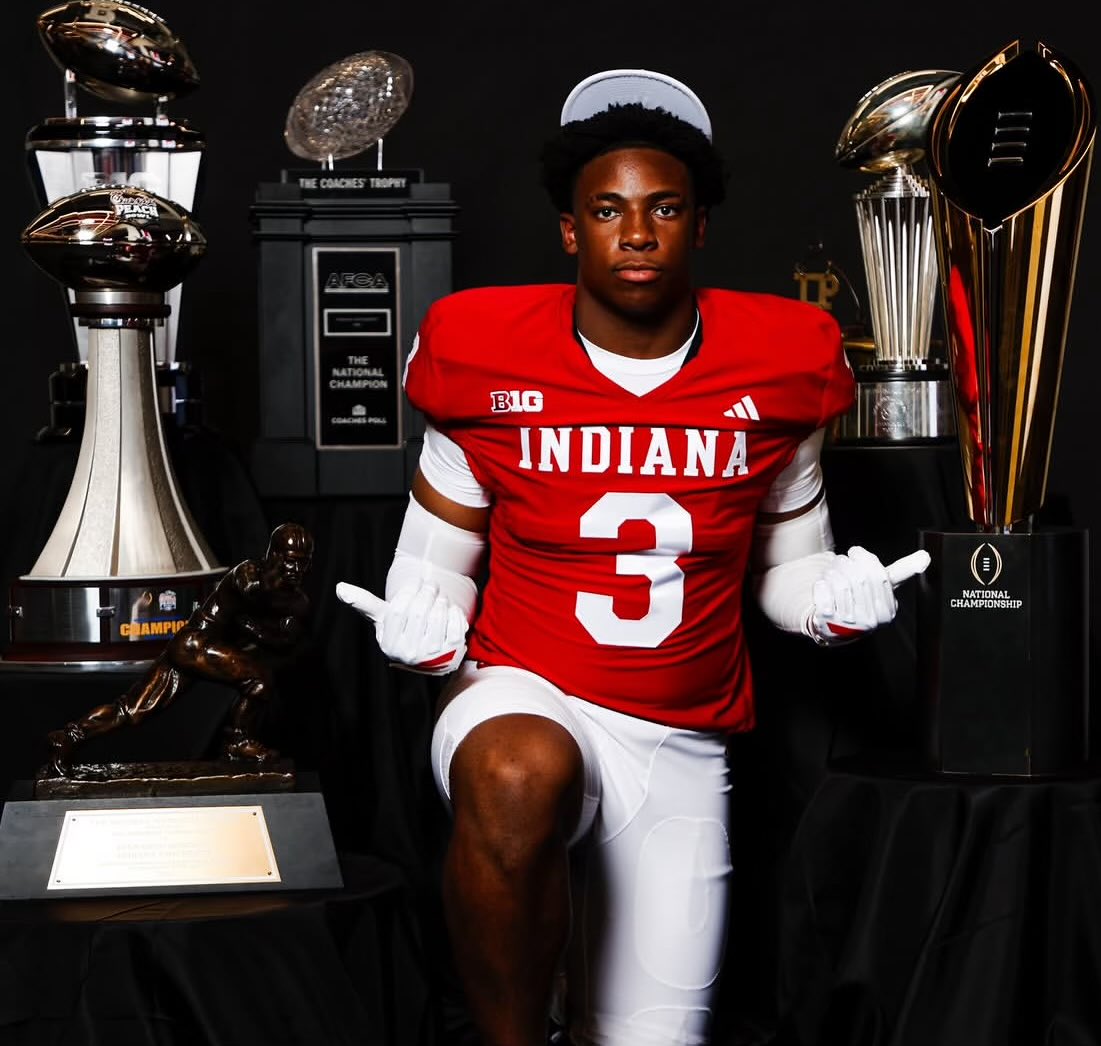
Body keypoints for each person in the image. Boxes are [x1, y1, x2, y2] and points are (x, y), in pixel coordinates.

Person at [337, 69, 928, 1046]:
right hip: (522, 686)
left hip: (678, 730)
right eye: (608, 210)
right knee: (519, 772)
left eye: (664, 208)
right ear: (571, 231)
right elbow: (436, 557)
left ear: (701, 225)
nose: (638, 233)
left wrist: (831, 598)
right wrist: (421, 617)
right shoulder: (485, 348)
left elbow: (787, 564)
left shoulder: (781, 359)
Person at [48, 522, 314, 774]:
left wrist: (261, 628)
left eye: (303, 562)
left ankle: (69, 736)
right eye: (290, 560)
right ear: (273, 555)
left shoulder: (297, 602)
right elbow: (252, 594)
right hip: (194, 644)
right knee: (258, 680)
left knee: (134, 710)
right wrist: (265, 620)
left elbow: (283, 642)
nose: (296, 569)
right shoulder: (248, 574)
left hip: (197, 648)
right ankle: (237, 742)